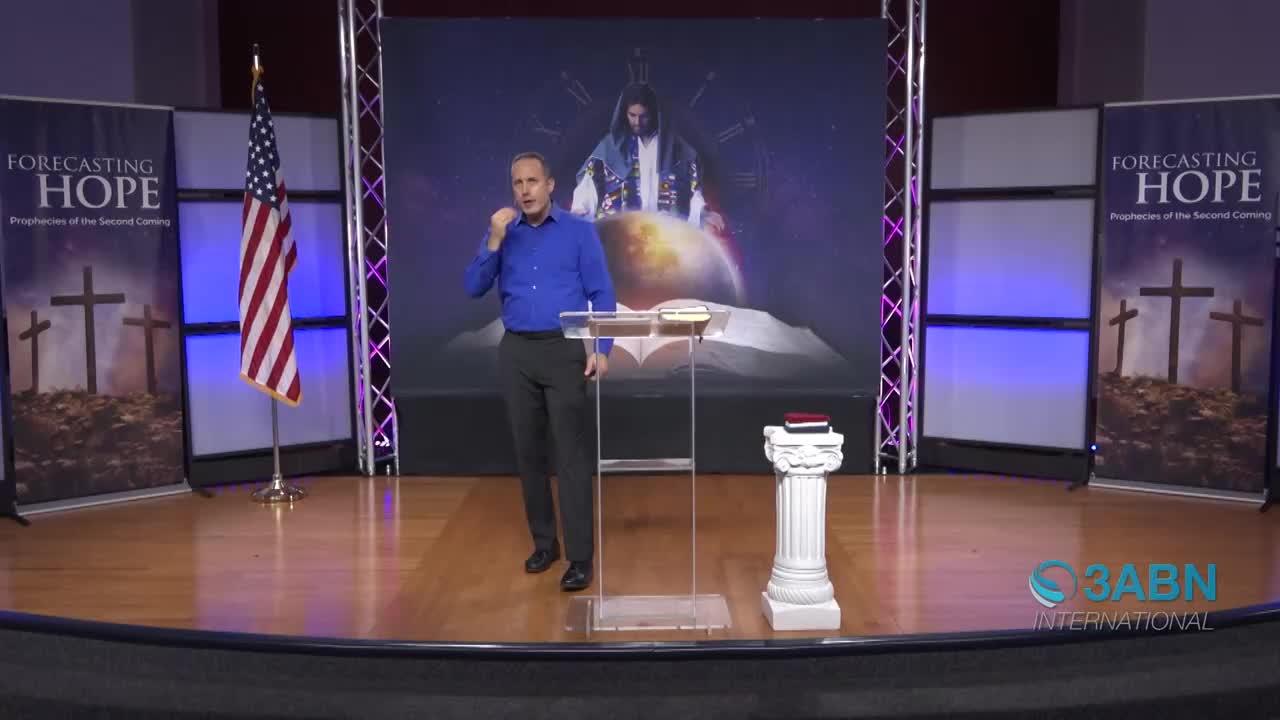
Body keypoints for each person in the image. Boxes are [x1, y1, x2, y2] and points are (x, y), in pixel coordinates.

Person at [463, 151, 616, 591]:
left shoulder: (579, 234)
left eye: (532, 181)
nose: (525, 190)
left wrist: (601, 347)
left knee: (570, 456)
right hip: (517, 354)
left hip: (564, 350)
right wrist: (492, 240)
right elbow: (473, 287)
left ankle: (580, 557)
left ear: (550, 185)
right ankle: (544, 544)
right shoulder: (502, 233)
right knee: (529, 454)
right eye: (517, 183)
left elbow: (602, 293)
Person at [571, 82, 724, 233]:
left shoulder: (677, 148)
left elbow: (694, 189)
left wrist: (703, 213)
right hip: (621, 234)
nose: (637, 122)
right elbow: (588, 181)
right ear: (625, 113)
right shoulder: (610, 146)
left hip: (665, 237)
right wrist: (581, 207)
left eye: (643, 116)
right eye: (632, 115)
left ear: (654, 114)